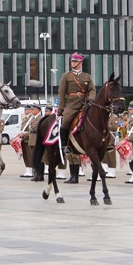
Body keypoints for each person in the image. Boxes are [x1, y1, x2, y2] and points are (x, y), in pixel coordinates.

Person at [57, 52, 95, 184]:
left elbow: (92, 89)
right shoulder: (66, 76)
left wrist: (90, 99)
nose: (73, 63)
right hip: (71, 104)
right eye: (72, 61)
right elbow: (61, 93)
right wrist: (61, 109)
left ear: (80, 63)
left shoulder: (87, 76)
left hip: (85, 103)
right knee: (66, 121)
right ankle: (63, 144)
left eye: (75, 61)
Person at [28, 104, 44, 181]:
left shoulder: (40, 118)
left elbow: (35, 128)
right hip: (31, 140)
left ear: (38, 110)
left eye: (33, 109)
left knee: (39, 158)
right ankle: (36, 174)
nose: (32, 111)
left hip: (37, 140)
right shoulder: (32, 118)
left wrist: (31, 127)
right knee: (34, 158)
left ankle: (40, 175)